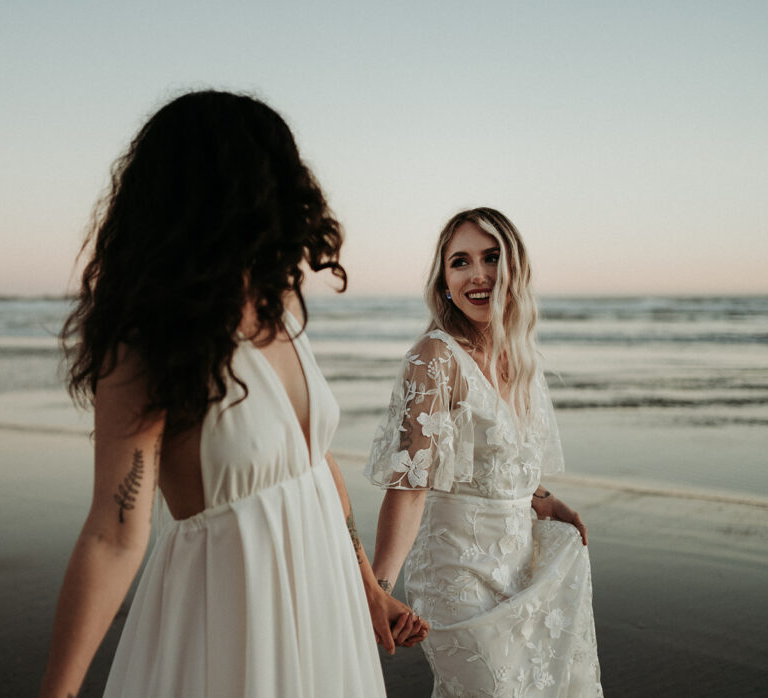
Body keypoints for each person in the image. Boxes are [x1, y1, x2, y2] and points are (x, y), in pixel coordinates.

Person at [38, 90, 426, 698]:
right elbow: (113, 536)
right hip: (230, 620)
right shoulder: (150, 340)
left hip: (325, 612)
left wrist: (367, 588)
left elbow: (312, 463)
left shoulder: (281, 311)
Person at [366, 208, 602, 697]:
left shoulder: (520, 356)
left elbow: (495, 455)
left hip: (521, 567)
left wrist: (540, 497)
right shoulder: (435, 358)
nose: (478, 275)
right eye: (460, 262)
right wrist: (377, 592)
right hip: (457, 576)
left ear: (515, 268)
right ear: (444, 280)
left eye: (491, 257)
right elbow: (411, 487)